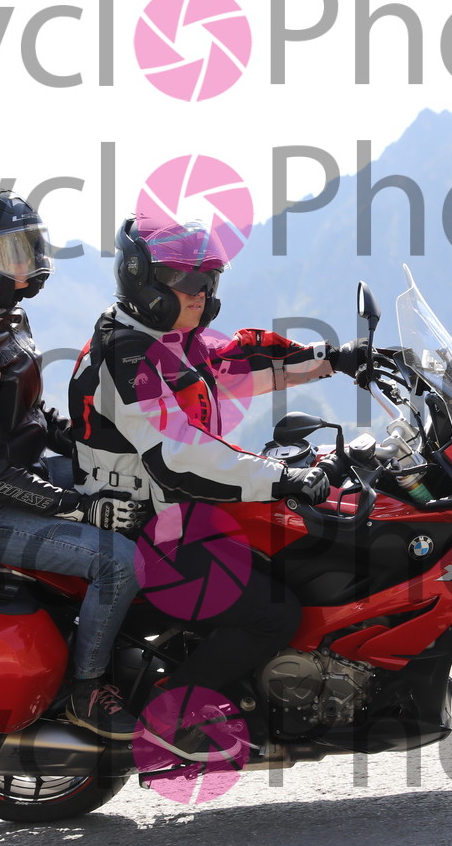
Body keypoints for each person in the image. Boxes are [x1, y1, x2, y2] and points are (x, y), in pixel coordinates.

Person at [66, 212, 375, 702]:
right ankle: (169, 717)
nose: (200, 293)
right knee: (273, 613)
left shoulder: (169, 337)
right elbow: (178, 456)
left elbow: (239, 361)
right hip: (143, 528)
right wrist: (282, 478)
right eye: (183, 280)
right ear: (140, 277)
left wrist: (333, 359)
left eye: (208, 280)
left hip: (181, 512)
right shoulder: (126, 356)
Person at [0, 189, 146, 741]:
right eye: (9, 251)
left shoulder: (5, 317)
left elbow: (33, 417)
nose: (27, 262)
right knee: (121, 562)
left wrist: (101, 448)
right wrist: (82, 508)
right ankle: (87, 691)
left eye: (29, 247)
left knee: (142, 488)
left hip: (20, 478)